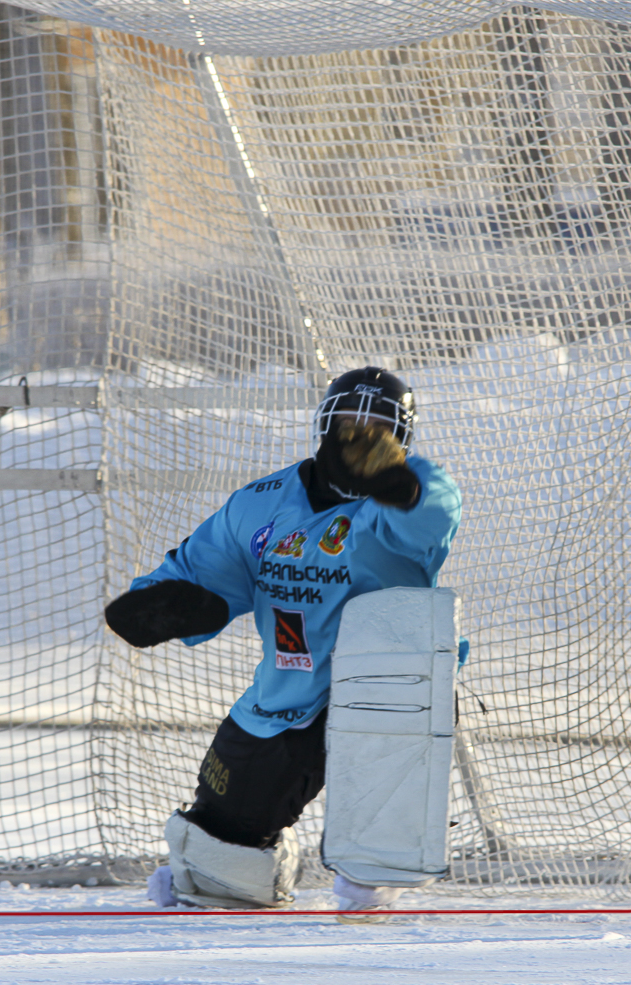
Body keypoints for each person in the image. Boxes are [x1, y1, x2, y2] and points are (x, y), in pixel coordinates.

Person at [104, 366, 462, 915]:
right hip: (289, 693)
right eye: (348, 420)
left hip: (394, 693)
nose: (361, 434)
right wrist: (170, 602)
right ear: (323, 424)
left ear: (403, 438)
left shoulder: (399, 505)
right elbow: (208, 565)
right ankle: (268, 861)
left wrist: (398, 481)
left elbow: (430, 515)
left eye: (380, 426)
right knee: (217, 864)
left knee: (374, 869)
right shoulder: (261, 504)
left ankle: (371, 877)